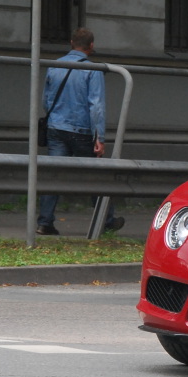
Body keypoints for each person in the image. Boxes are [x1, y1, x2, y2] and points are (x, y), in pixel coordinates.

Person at [37, 28, 124, 236]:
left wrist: (57, 117)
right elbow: (96, 106)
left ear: (71, 42)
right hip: (82, 131)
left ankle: (44, 222)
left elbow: (45, 101)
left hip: (57, 128)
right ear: (91, 46)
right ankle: (107, 220)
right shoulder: (93, 70)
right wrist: (99, 137)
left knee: (54, 176)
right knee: (93, 177)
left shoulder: (55, 65)